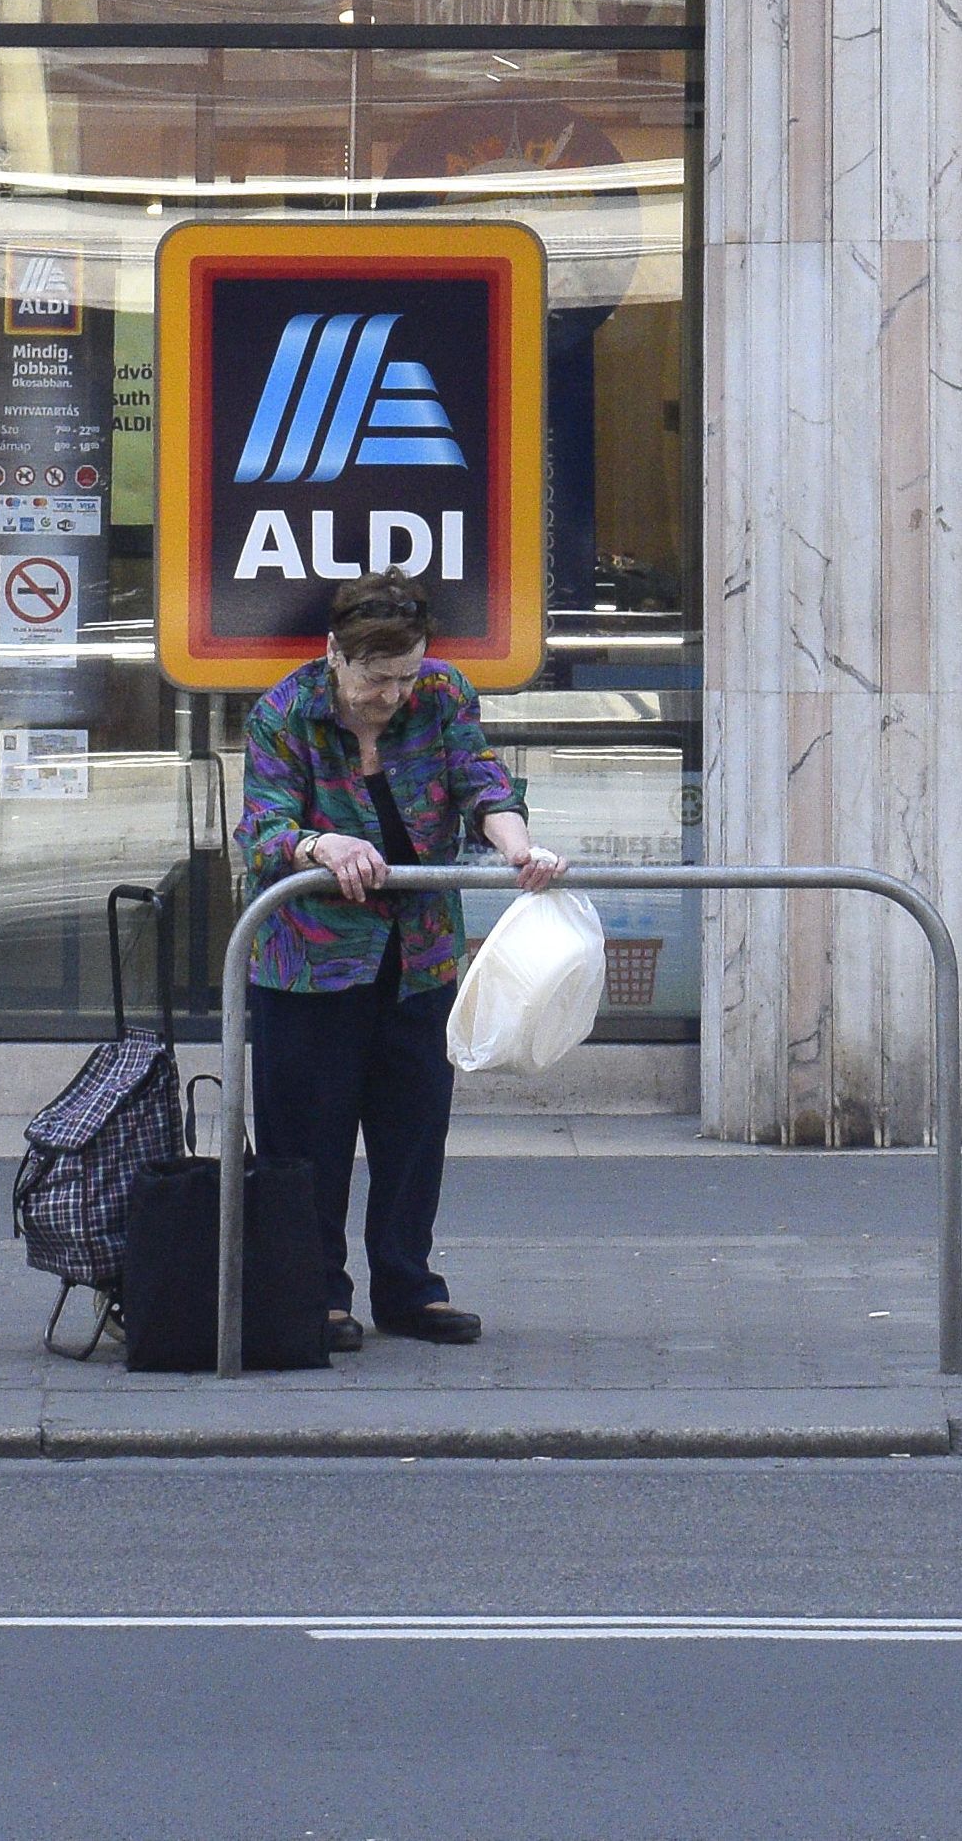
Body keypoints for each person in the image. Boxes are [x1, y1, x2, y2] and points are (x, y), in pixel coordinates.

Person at [231, 573, 563, 1352]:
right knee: (306, 1136)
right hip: (311, 963)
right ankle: (315, 1292)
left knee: (412, 1129)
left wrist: (519, 850)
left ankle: (409, 1288)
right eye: (373, 677)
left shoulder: (442, 694)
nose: (389, 693)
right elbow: (261, 828)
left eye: (405, 673)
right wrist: (319, 843)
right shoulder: (284, 713)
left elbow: (480, 781)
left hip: (417, 955)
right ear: (332, 656)